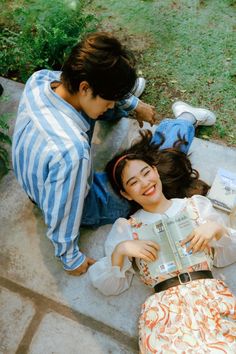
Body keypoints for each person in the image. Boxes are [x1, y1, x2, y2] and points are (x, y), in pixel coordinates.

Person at [12, 31, 216, 276]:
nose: (110, 105)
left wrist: (132, 104)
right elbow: (61, 210)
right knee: (161, 168)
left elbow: (92, 99)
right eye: (109, 99)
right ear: (86, 88)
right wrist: (70, 259)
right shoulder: (71, 153)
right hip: (77, 201)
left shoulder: (41, 80)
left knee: (108, 114)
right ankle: (186, 118)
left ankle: (122, 93)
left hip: (35, 181)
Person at [88, 131, 236, 353]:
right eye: (133, 182)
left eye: (146, 172)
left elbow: (227, 256)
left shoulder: (196, 206)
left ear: (155, 171)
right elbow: (109, 286)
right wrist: (120, 251)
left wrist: (216, 229)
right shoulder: (127, 228)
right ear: (126, 194)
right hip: (165, 314)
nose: (145, 183)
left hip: (211, 299)